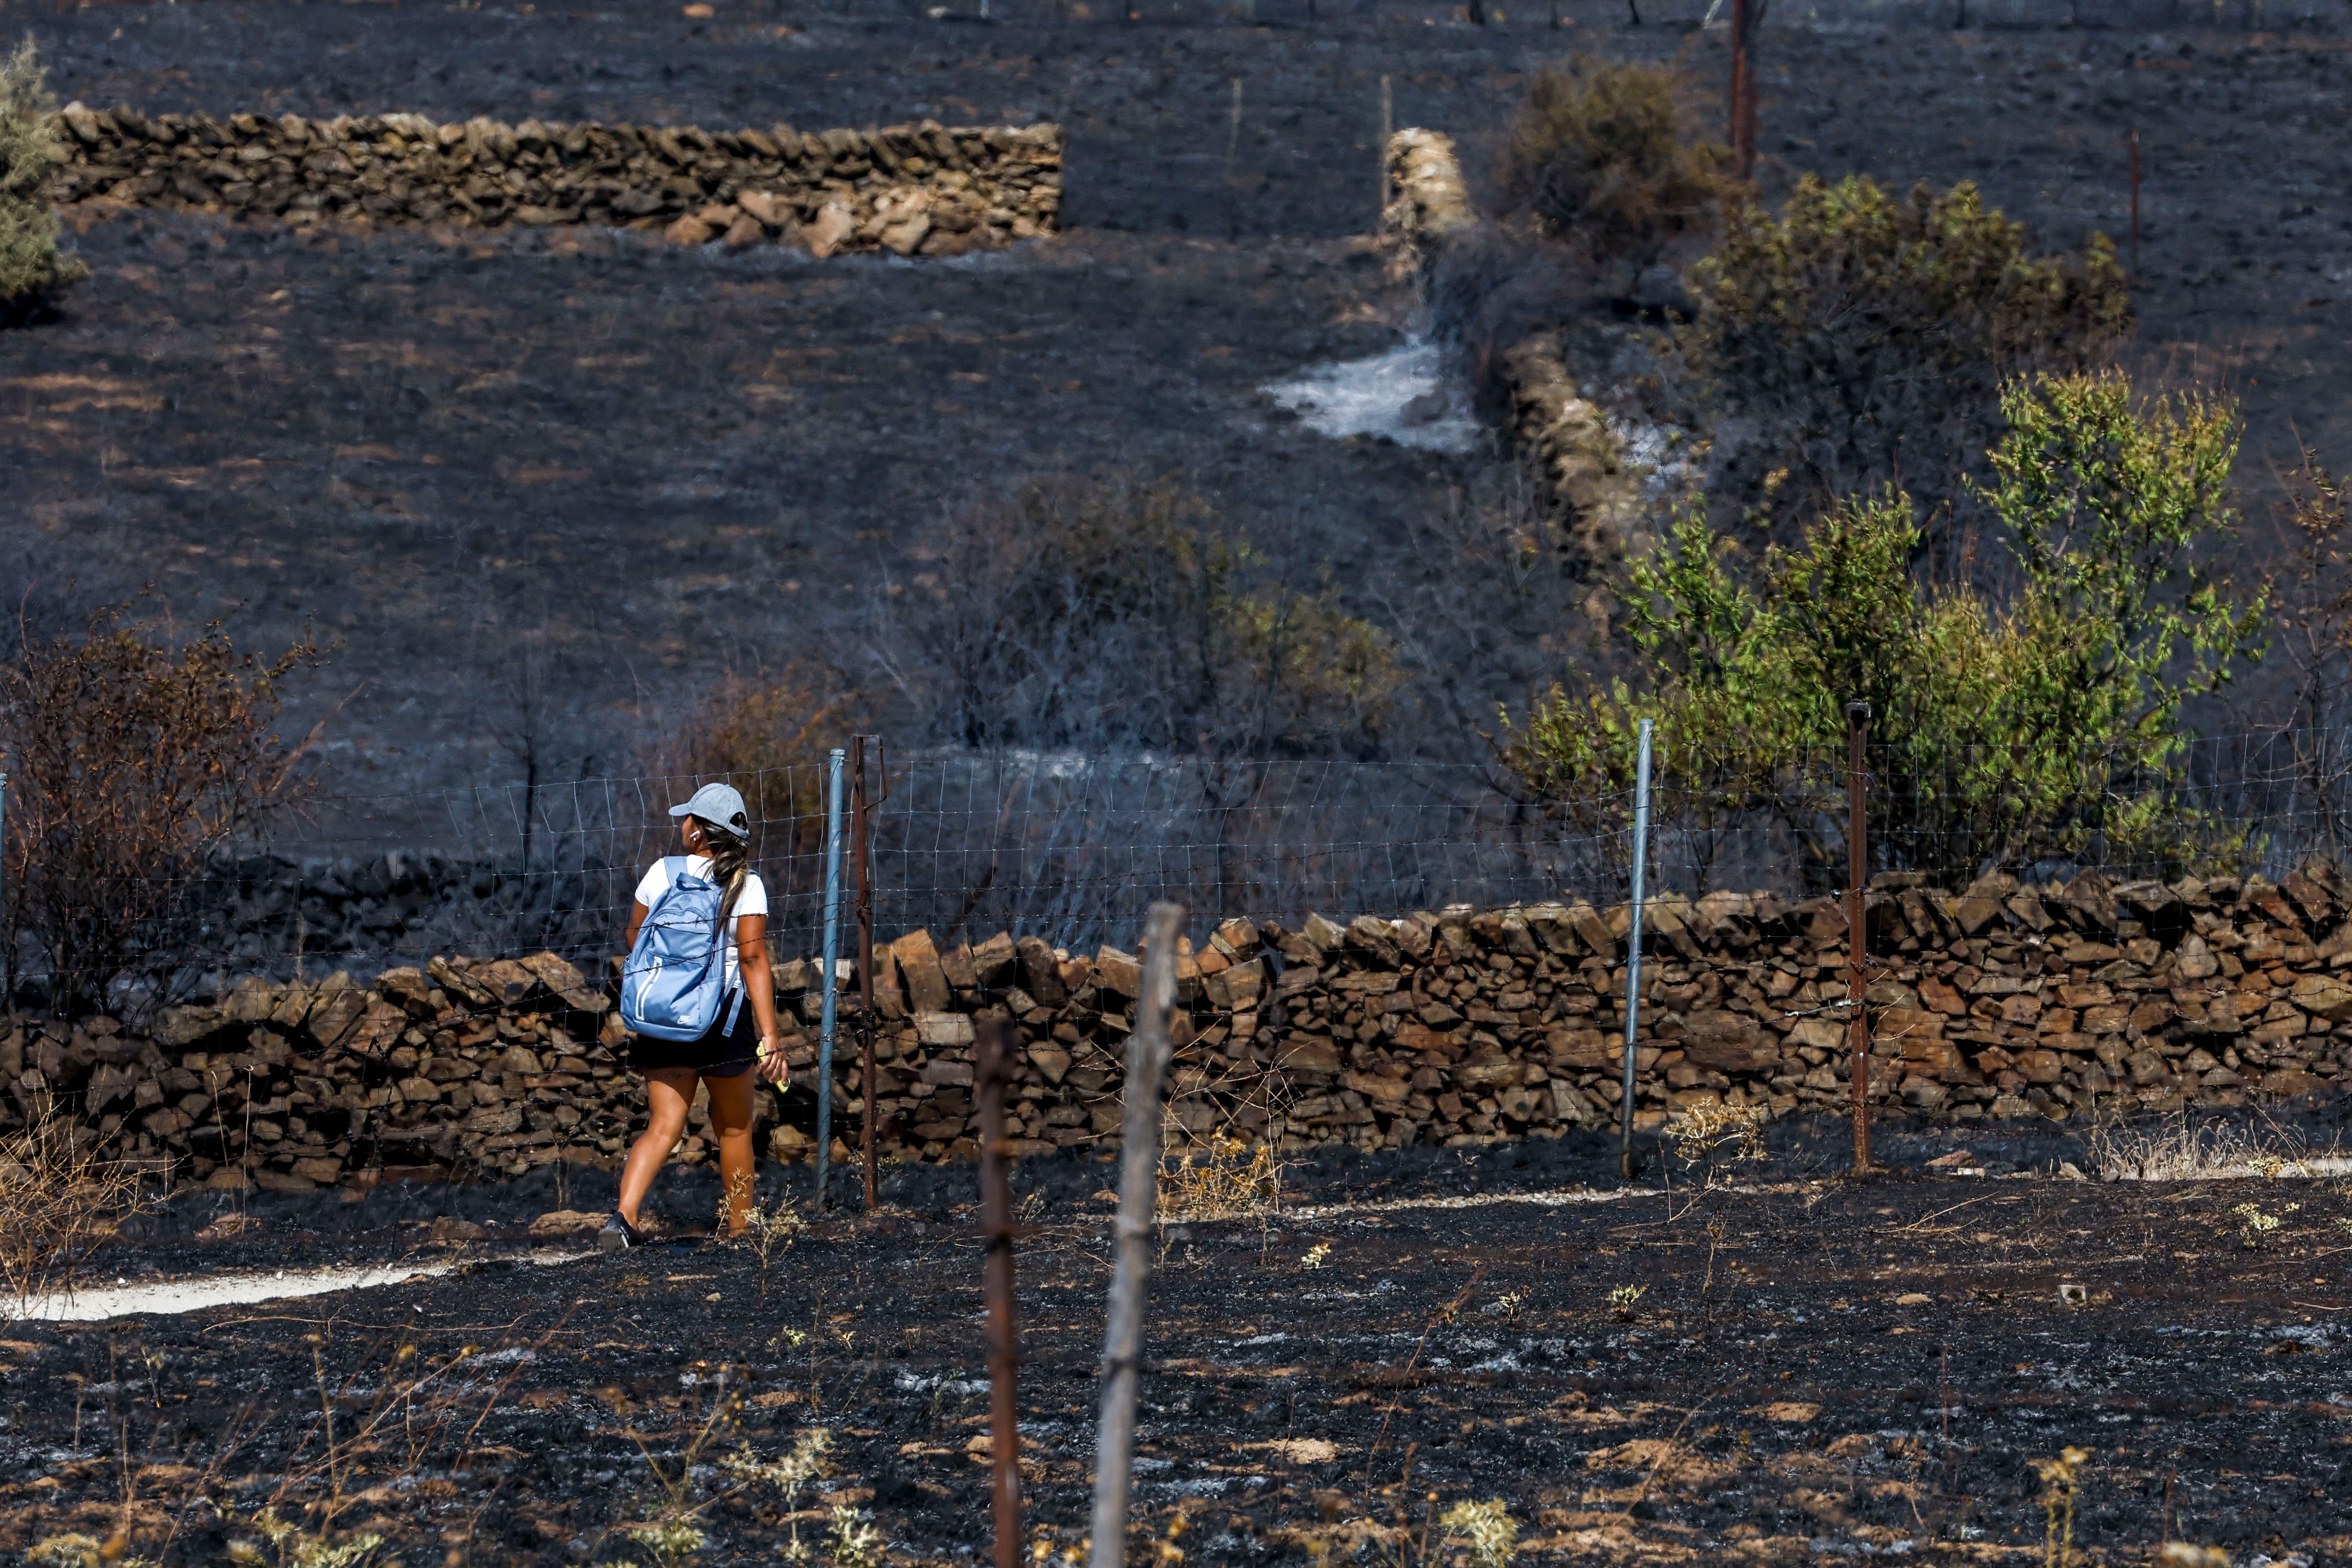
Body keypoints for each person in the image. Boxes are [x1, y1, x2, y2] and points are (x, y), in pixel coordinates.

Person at [601, 782, 788, 1250]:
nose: (681, 825)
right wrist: (771, 1037)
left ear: (699, 833)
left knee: (663, 1126)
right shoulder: (748, 884)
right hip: (724, 1021)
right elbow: (752, 961)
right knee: (734, 1127)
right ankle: (741, 1231)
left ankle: (622, 1220)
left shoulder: (662, 874)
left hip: (664, 1018)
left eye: (688, 819)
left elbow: (634, 939)